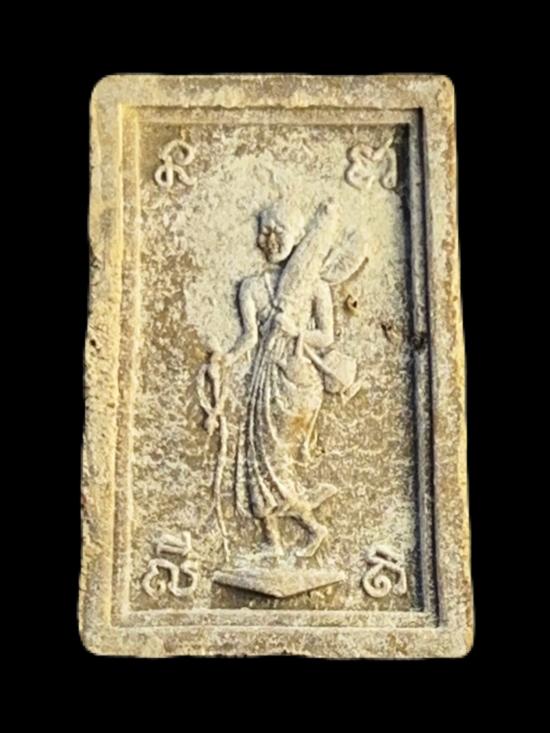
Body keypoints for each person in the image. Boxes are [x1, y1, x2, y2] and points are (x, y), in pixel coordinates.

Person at [222, 201, 338, 558]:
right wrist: (225, 360)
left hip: (297, 382)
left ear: (299, 236)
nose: (269, 240)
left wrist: (296, 331)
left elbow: (326, 337)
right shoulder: (251, 287)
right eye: (265, 232)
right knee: (256, 461)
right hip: (263, 378)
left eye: (278, 232)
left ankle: (313, 528)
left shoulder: (316, 286)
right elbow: (249, 338)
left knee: (278, 462)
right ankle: (271, 542)